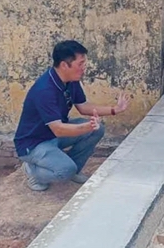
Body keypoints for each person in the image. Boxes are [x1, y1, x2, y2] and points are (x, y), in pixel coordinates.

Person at [13, 40, 130, 191]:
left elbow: (83, 107)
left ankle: (73, 169)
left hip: (52, 135)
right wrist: (86, 126)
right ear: (64, 65)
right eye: (80, 64)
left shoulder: (70, 80)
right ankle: (33, 172)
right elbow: (59, 129)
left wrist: (115, 109)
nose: (84, 68)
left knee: (97, 129)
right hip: (34, 144)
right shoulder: (44, 90)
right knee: (65, 171)